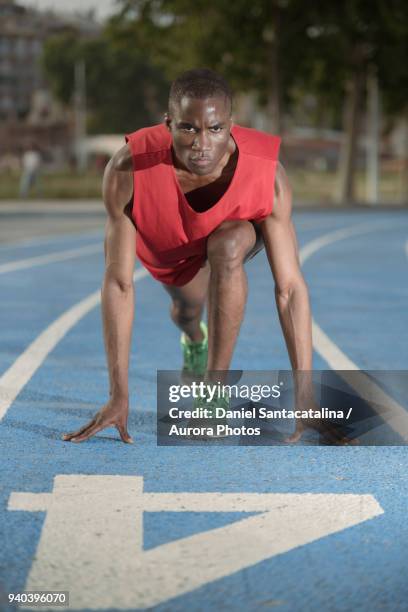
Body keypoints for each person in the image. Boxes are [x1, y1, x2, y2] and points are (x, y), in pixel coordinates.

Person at [62, 68, 317, 445]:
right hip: (169, 245)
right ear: (168, 125)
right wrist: (119, 394)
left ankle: (213, 394)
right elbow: (118, 283)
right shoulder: (128, 170)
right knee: (187, 312)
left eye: (215, 129)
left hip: (227, 239)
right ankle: (194, 339)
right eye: (188, 129)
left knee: (229, 245)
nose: (202, 144)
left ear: (231, 125)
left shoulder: (268, 175)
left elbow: (290, 288)